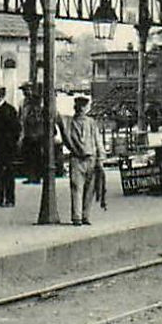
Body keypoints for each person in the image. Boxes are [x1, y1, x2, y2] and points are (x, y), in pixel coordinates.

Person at [58, 93, 106, 226]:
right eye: (79, 107)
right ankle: (78, 216)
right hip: (79, 158)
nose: (81, 109)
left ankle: (84, 215)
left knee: (88, 189)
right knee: (77, 187)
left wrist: (100, 157)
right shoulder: (70, 121)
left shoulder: (89, 122)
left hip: (89, 158)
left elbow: (97, 140)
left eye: (83, 107)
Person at [19, 82, 49, 184]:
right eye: (24, 90)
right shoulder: (23, 102)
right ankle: (30, 176)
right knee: (28, 156)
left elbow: (38, 118)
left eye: (27, 90)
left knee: (36, 156)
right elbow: (22, 118)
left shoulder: (36, 102)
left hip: (36, 133)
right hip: (27, 133)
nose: (25, 92)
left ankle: (36, 176)